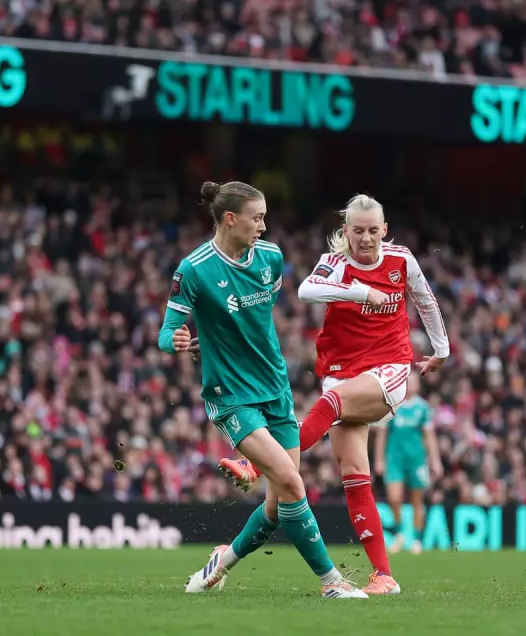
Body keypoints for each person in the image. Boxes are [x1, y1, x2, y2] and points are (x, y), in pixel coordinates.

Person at [219, 194, 450, 595]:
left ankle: (256, 466)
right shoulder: (334, 263)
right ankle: (384, 575)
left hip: (389, 368)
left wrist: (441, 349)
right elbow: (308, 290)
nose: (365, 239)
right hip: (342, 370)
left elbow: (425, 300)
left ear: (385, 230)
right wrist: (361, 293)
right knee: (355, 478)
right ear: (346, 231)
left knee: (330, 404)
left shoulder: (401, 260)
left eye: (373, 231)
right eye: (357, 231)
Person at [158, 181, 367, 599]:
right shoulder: (195, 269)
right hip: (232, 394)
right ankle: (332, 582)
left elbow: (252, 323)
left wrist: (219, 339)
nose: (264, 225)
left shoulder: (271, 257)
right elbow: (166, 333)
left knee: (276, 506)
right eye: (257, 218)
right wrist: (179, 341)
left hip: (275, 388)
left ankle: (221, 562)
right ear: (230, 219)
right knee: (291, 482)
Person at [374, 371, 443, 555]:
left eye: (413, 381)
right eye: (408, 381)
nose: (411, 384)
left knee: (417, 501)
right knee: (394, 497)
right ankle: (399, 532)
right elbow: (382, 434)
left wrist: (435, 461)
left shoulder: (423, 408)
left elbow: (430, 436)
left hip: (417, 459)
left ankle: (417, 540)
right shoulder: (392, 405)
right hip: (394, 458)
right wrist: (379, 459)